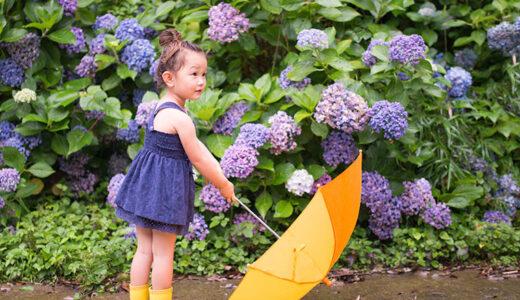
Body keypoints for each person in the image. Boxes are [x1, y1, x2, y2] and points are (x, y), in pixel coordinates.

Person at [114, 28, 236, 300]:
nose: (201, 81)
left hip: (145, 186)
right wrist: (224, 185)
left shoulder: (162, 106)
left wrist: (214, 167)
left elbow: (198, 149)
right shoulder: (180, 118)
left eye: (204, 74)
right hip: (165, 192)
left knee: (144, 250)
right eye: (194, 74)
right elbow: (198, 157)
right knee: (163, 253)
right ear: (169, 78)